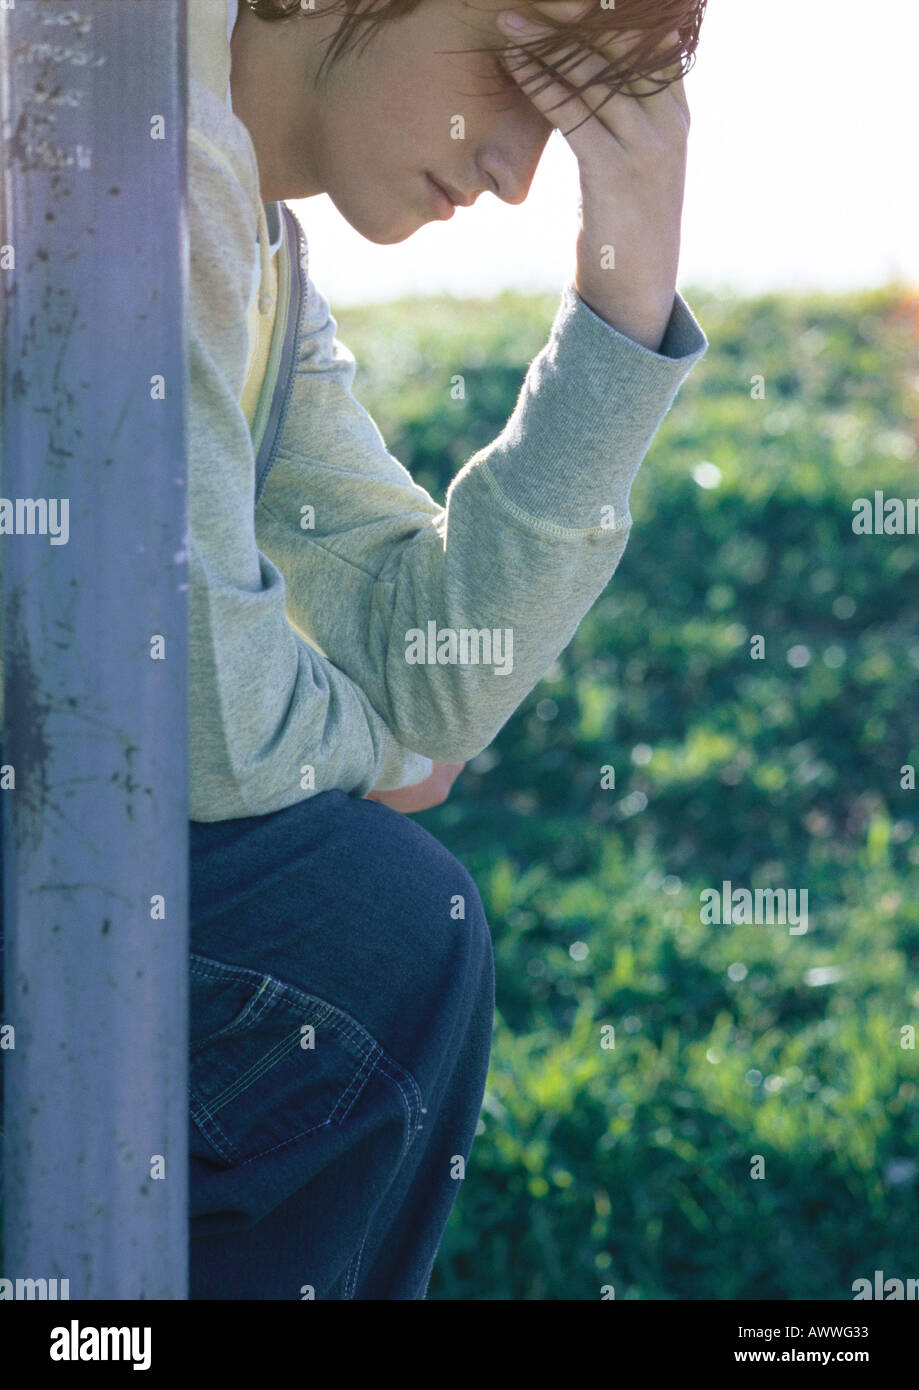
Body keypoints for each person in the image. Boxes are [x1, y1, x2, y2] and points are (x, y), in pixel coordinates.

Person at [5, 0, 710, 1299]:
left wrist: (624, 296)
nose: (513, 174)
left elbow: (427, 658)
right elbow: (192, 725)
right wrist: (378, 747)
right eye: (518, 76)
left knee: (371, 918)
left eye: (567, 128)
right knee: (365, 923)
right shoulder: (108, 116)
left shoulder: (257, 247)